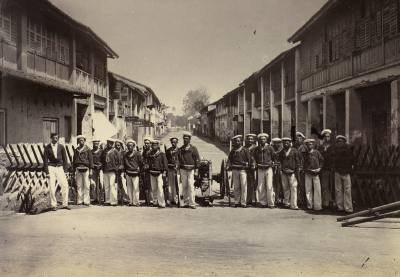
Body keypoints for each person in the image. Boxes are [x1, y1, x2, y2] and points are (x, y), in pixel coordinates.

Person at [43, 132, 71, 211]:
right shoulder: (47, 148)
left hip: (60, 167)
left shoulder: (61, 147)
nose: (56, 139)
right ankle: (53, 205)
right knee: (52, 186)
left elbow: (65, 159)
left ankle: (65, 204)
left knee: (65, 185)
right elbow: (45, 160)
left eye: (57, 138)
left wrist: (65, 170)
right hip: (51, 167)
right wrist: (47, 172)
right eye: (54, 138)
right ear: (51, 138)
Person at [331, 135, 355, 213]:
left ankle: (348, 208)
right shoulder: (335, 150)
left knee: (347, 190)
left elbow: (352, 161)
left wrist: (350, 169)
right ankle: (340, 207)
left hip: (346, 172)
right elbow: (333, 160)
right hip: (338, 172)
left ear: (344, 142)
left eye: (342, 141)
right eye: (339, 142)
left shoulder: (348, 151)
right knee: (338, 190)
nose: (340, 143)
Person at [226, 135, 251, 208]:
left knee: (243, 186)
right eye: (236, 141)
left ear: (241, 142)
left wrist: (248, 165)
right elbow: (229, 160)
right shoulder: (233, 151)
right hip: (235, 170)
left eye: (238, 141)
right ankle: (237, 201)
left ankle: (243, 202)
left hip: (243, 170)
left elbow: (249, 160)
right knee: (236, 186)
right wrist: (228, 165)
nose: (237, 142)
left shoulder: (245, 150)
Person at [177, 132, 200, 209]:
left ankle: (192, 203)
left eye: (186, 139)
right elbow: (178, 159)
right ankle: (186, 202)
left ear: (190, 139)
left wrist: (196, 170)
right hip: (183, 169)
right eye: (184, 139)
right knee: (184, 186)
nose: (185, 140)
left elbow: (197, 160)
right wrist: (177, 165)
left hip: (191, 170)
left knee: (190, 186)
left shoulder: (193, 149)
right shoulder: (180, 150)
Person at [253, 133, 276, 208]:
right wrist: (254, 164)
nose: (262, 141)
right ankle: (263, 202)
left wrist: (273, 164)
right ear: (259, 140)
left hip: (268, 168)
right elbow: (254, 158)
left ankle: (271, 203)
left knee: (269, 186)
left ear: (266, 140)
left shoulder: (270, 148)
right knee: (261, 186)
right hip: (260, 169)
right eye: (261, 139)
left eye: (264, 139)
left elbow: (274, 158)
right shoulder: (256, 149)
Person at [279, 137, 302, 210]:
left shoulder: (294, 151)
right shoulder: (281, 152)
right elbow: (280, 162)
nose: (286, 144)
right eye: (284, 143)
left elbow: (298, 161)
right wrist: (280, 169)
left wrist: (297, 169)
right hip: (284, 172)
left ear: (290, 143)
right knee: (285, 188)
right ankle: (286, 203)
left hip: (292, 172)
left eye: (287, 143)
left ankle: (294, 205)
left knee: (294, 187)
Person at [72, 135, 93, 206]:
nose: (81, 142)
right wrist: (74, 170)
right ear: (78, 141)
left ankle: (86, 200)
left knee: (86, 185)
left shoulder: (88, 150)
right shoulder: (76, 150)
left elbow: (91, 161)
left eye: (82, 140)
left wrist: (91, 171)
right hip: (78, 169)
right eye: (80, 141)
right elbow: (74, 160)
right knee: (79, 185)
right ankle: (79, 200)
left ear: (85, 141)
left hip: (86, 169)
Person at [303, 139, 324, 211]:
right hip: (308, 173)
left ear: (313, 145)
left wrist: (319, 168)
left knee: (317, 189)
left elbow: (321, 161)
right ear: (306, 145)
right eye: (308, 144)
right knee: (308, 189)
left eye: (311, 144)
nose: (310, 146)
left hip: (316, 173)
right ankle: (309, 205)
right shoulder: (305, 153)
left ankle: (317, 206)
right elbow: (302, 162)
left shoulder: (317, 152)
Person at [147, 140, 168, 208]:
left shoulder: (162, 154)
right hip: (152, 173)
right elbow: (148, 162)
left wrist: (164, 172)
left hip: (159, 173)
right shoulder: (150, 154)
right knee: (154, 188)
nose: (154, 146)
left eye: (155, 145)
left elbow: (165, 164)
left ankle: (161, 202)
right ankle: (155, 201)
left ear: (158, 146)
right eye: (153, 145)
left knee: (160, 188)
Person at [317, 129, 334, 209]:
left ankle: (334, 202)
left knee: (334, 186)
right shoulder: (320, 147)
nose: (327, 138)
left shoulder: (333, 146)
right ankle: (326, 203)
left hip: (333, 169)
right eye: (325, 137)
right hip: (324, 169)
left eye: (328, 136)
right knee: (325, 186)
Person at [124, 139, 143, 206]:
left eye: (131, 146)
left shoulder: (138, 154)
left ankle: (136, 201)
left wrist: (138, 169)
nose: (129, 147)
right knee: (129, 187)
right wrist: (128, 169)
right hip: (128, 173)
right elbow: (125, 163)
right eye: (128, 146)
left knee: (136, 187)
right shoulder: (126, 155)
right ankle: (131, 201)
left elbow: (140, 163)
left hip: (135, 173)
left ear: (134, 146)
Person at [101, 139, 119, 206]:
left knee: (112, 186)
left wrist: (116, 168)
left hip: (112, 171)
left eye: (111, 143)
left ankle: (113, 201)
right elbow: (102, 160)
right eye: (108, 143)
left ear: (113, 144)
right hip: (105, 171)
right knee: (106, 186)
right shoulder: (104, 151)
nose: (109, 144)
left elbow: (118, 161)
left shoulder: (115, 151)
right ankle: (107, 200)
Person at [166, 137, 180, 205]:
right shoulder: (168, 150)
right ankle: (170, 198)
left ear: (177, 142)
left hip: (177, 169)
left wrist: (177, 165)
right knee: (170, 184)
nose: (174, 143)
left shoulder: (179, 150)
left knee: (177, 184)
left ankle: (176, 198)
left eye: (175, 142)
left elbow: (180, 159)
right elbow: (166, 159)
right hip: (170, 168)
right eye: (172, 142)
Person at [244, 134, 257, 206]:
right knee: (247, 183)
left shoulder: (256, 148)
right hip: (246, 168)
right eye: (248, 139)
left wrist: (254, 164)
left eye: (251, 139)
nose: (250, 140)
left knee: (254, 183)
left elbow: (257, 157)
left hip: (254, 168)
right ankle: (248, 199)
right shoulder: (244, 148)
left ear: (253, 140)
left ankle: (254, 199)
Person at [91, 138, 103, 204]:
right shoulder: (91, 151)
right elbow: (90, 160)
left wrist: (100, 165)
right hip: (93, 169)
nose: (95, 145)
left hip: (100, 169)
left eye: (97, 144)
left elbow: (103, 160)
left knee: (100, 183)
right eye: (94, 144)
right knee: (93, 184)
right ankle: (95, 198)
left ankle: (101, 198)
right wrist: (93, 165)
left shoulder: (101, 151)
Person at [142, 137, 153, 204]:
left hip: (151, 170)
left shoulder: (152, 151)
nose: (146, 145)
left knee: (151, 184)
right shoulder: (144, 151)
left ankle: (151, 199)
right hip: (145, 170)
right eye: (145, 143)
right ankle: (147, 199)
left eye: (147, 143)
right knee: (145, 184)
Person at [271, 137, 283, 205]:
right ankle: (274, 198)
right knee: (273, 183)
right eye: (275, 143)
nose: (276, 144)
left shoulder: (282, 150)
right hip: (273, 168)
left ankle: (280, 199)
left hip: (280, 168)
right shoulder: (271, 150)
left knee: (280, 184)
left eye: (278, 143)